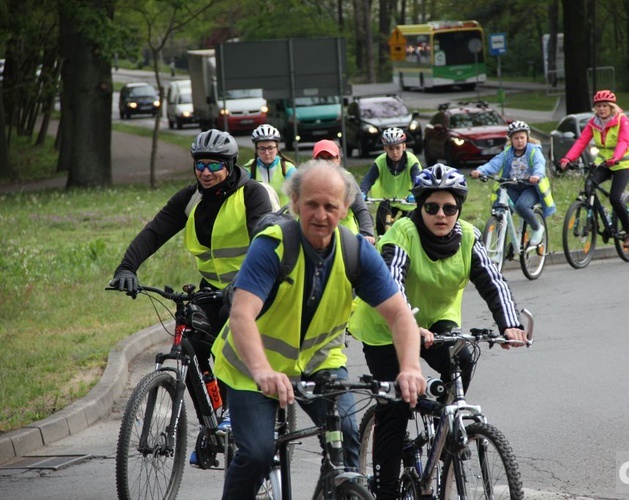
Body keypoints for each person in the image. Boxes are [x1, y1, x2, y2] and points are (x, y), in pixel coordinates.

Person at [211, 160, 426, 500]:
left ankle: (338, 490)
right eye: (311, 204)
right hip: (251, 368)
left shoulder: (356, 252)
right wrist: (263, 371)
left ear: (344, 210)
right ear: (295, 203)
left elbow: (399, 315)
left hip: (318, 362)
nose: (321, 215)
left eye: (331, 206)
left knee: (347, 434)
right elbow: (241, 315)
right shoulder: (273, 246)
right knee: (257, 454)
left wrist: (411, 368)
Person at [348, 164, 529, 500]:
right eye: (432, 207)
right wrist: (407, 325)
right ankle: (386, 491)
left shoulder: (469, 238)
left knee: (462, 358)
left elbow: (493, 282)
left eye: (450, 208)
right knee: (398, 407)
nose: (441, 214)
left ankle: (446, 433)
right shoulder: (403, 233)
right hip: (385, 327)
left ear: (458, 209)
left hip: (435, 323)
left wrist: (511, 324)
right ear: (420, 207)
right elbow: (391, 281)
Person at [109, 129, 274, 433]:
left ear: (230, 164)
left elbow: (263, 241)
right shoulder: (191, 197)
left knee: (231, 331)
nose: (206, 172)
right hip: (212, 288)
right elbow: (154, 232)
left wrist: (243, 282)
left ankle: (236, 411)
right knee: (192, 341)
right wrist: (127, 268)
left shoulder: (252, 194)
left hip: (252, 287)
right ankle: (211, 423)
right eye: (200, 165)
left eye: (214, 165)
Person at [559, 90, 629, 248]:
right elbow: (582, 141)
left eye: (604, 106)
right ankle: (593, 223)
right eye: (598, 106)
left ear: (611, 107)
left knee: (615, 198)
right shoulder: (593, 123)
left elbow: (623, 141)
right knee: (589, 185)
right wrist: (568, 158)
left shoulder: (622, 120)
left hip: (622, 162)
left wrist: (616, 157)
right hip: (604, 162)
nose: (601, 109)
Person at [470, 120, 555, 245]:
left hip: (530, 188)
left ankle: (537, 228)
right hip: (513, 187)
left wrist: (536, 175)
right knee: (500, 207)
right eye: (516, 138)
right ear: (511, 140)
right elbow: (494, 163)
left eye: (522, 137)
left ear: (527, 137)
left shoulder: (533, 151)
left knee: (522, 206)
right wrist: (480, 171)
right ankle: (501, 236)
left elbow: (539, 164)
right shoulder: (507, 152)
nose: (519, 141)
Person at [360, 127, 422, 236]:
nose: (395, 152)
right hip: (387, 201)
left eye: (398, 148)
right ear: (385, 149)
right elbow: (368, 180)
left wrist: (415, 194)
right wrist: (362, 192)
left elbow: (418, 181)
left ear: (404, 146)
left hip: (408, 202)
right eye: (391, 148)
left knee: (407, 230)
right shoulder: (380, 161)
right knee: (380, 226)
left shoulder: (412, 162)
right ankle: (382, 247)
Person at [312, 139, 376, 244]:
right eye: (320, 159)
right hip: (318, 239)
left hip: (346, 239)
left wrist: (367, 233)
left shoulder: (346, 180)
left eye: (330, 158)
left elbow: (361, 209)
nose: (325, 163)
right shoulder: (308, 182)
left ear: (338, 160)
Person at [244, 124, 296, 206]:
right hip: (260, 217)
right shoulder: (249, 169)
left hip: (285, 216)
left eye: (270, 148)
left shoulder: (288, 168)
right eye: (262, 149)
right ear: (256, 150)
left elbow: (298, 195)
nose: (267, 153)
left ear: (277, 149)